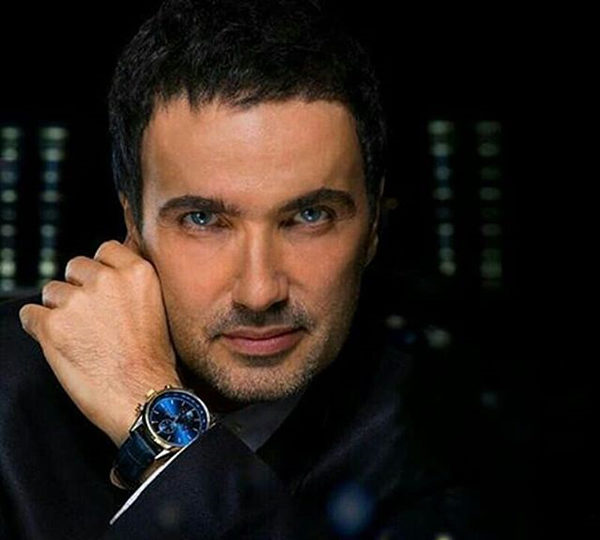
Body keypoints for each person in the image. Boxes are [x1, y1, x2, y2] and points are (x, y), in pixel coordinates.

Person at [0, 1, 490, 538]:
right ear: (132, 224)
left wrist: (154, 416)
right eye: (203, 219)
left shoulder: (456, 441)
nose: (259, 293)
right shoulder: (7, 395)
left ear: (373, 226)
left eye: (310, 216)